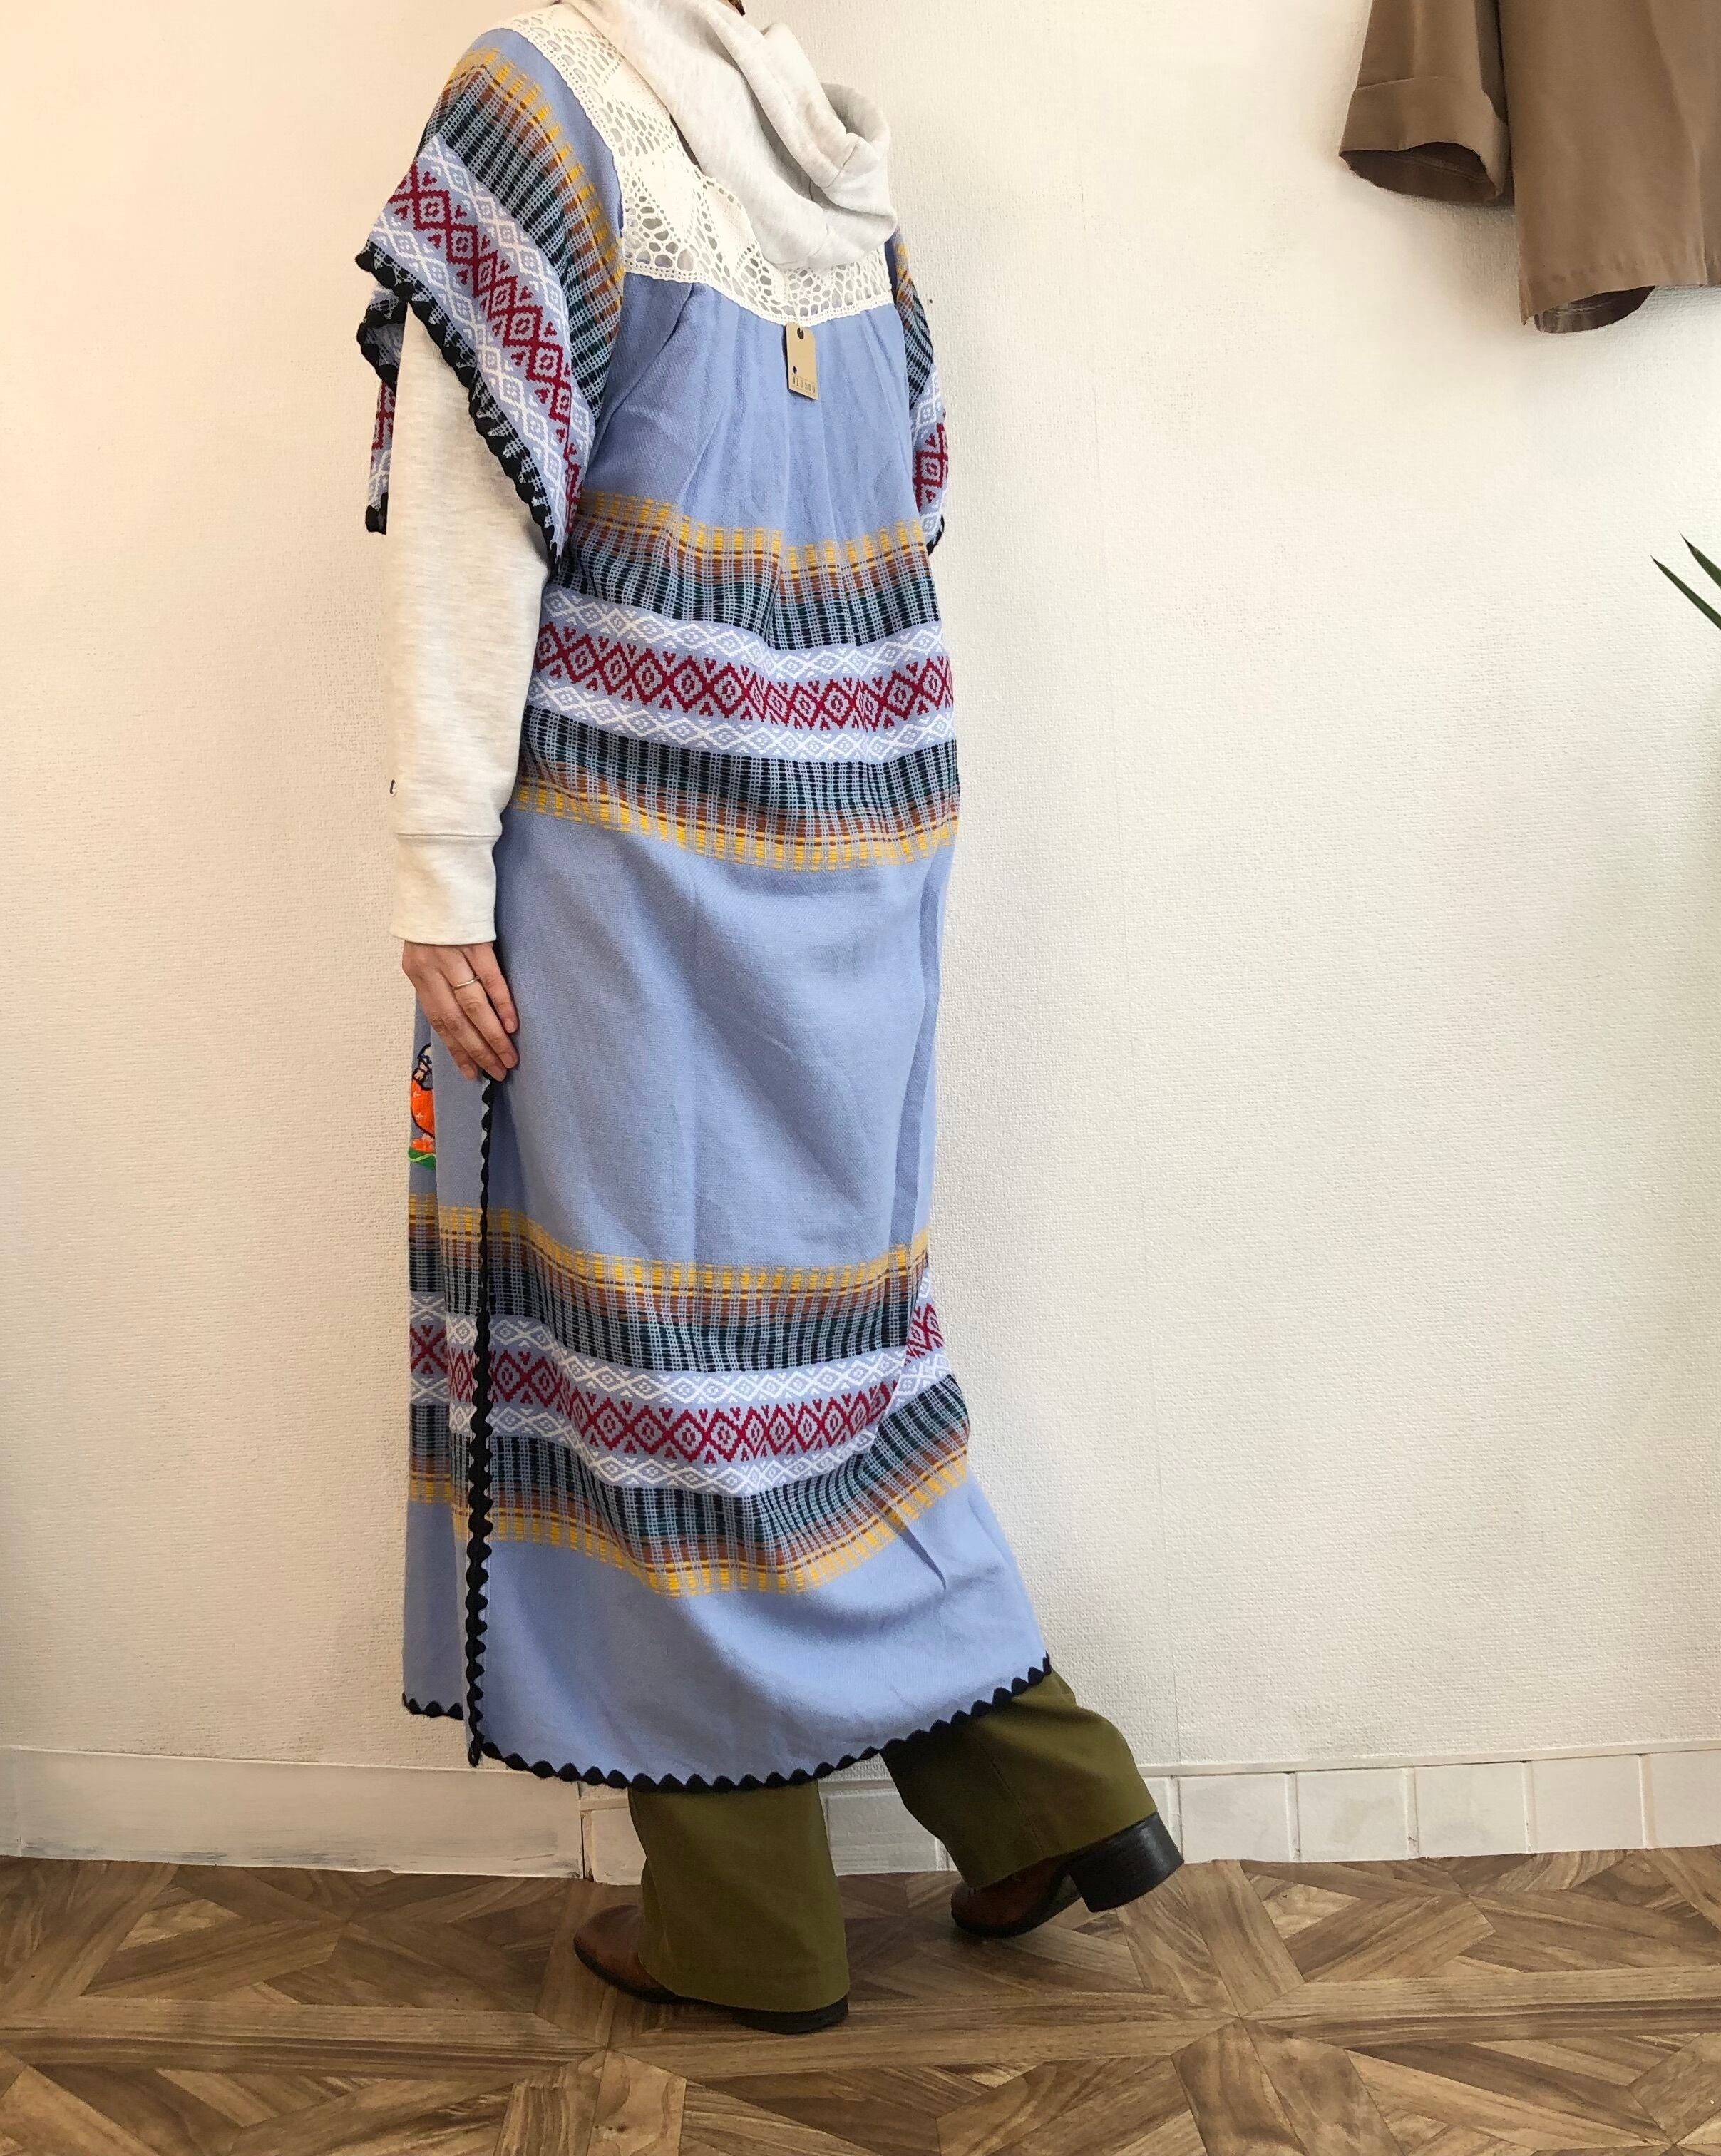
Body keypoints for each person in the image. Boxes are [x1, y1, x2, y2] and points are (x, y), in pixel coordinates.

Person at [359, 0, 1179, 2033]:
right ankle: (1042, 1793)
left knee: (641, 1352)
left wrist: (440, 862)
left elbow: (470, 514)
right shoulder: (833, 149)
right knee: (830, 1349)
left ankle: (746, 1920)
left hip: (637, 851)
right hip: (862, 836)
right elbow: (910, 495)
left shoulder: (534, 105)